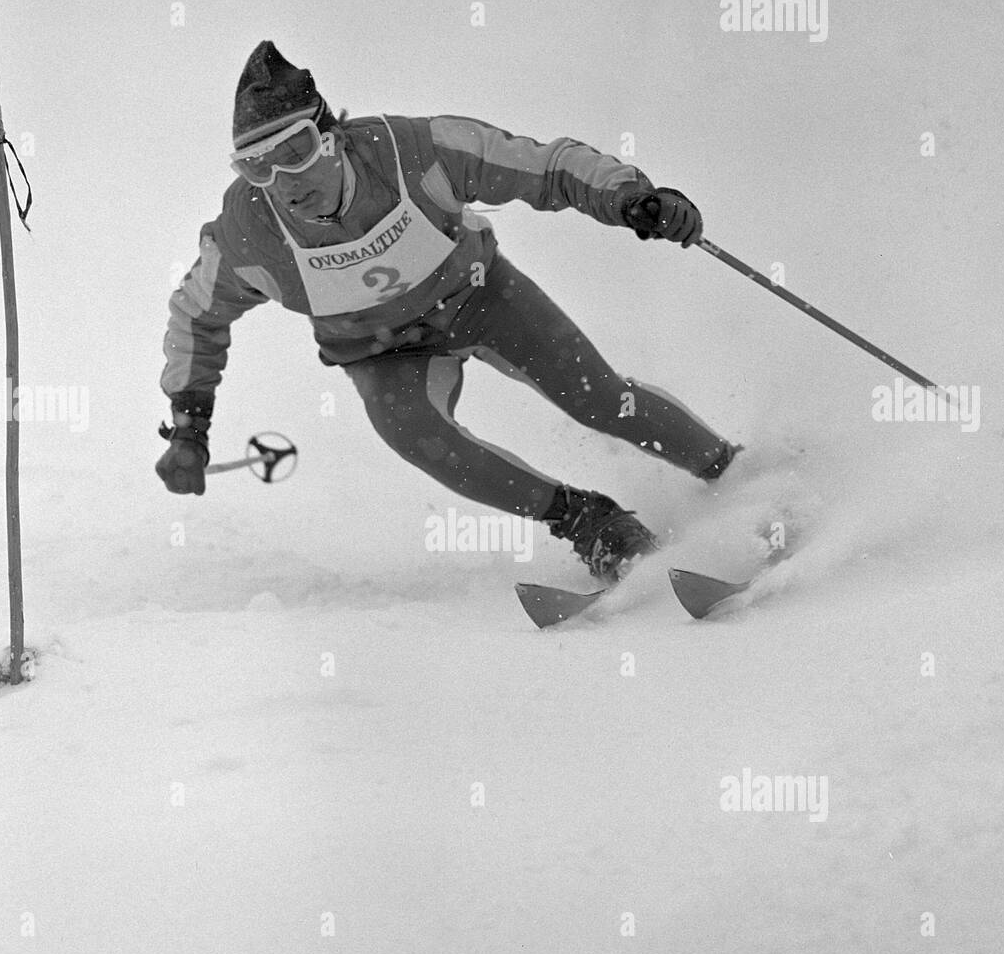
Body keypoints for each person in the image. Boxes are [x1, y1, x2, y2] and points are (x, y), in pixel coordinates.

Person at [158, 40, 740, 582]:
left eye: (296, 151)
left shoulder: (412, 152)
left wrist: (630, 197)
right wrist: (190, 427)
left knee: (597, 398)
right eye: (257, 167)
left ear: (331, 137)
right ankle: (589, 522)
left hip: (479, 297)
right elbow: (195, 317)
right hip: (383, 352)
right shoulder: (249, 234)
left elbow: (542, 165)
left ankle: (731, 474)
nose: (284, 181)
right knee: (415, 434)